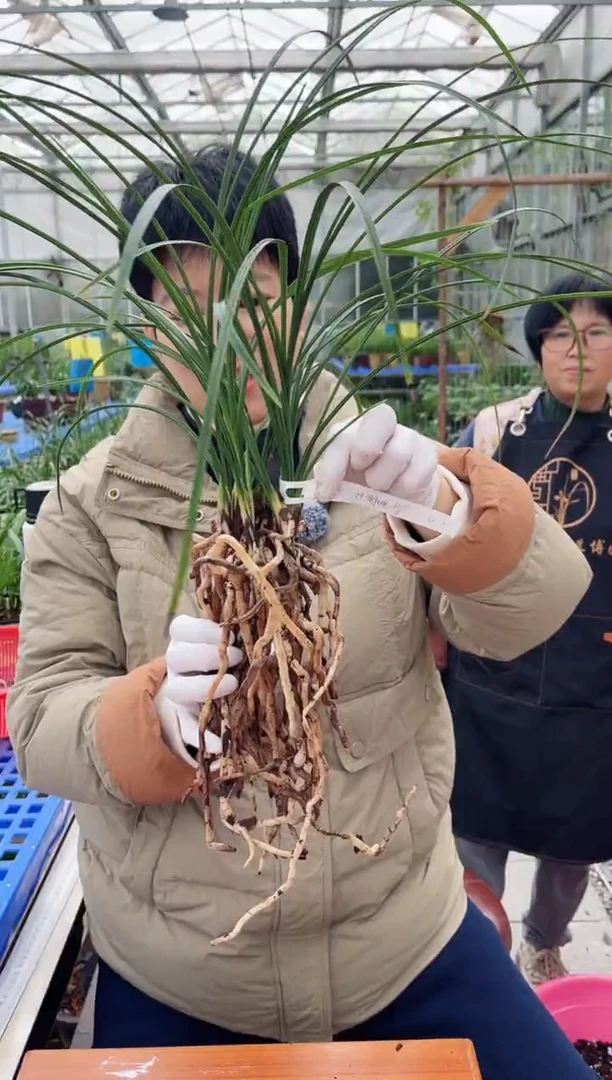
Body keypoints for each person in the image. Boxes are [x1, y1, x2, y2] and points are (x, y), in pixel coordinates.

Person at [8, 148, 594, 1079]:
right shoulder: (93, 502)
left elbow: (535, 608)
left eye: (254, 287)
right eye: (178, 300)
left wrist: (455, 520)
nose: (225, 329)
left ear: (295, 296)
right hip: (185, 973)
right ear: (145, 320)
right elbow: (39, 718)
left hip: (403, 942)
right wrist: (144, 717)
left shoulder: (372, 459)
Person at [448, 272, 612, 988]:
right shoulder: (494, 432)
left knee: (576, 834)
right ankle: (477, 947)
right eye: (559, 334)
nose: (577, 349)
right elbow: (438, 536)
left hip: (594, 670)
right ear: (538, 347)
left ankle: (544, 945)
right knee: (475, 820)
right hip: (493, 665)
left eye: (598, 332)